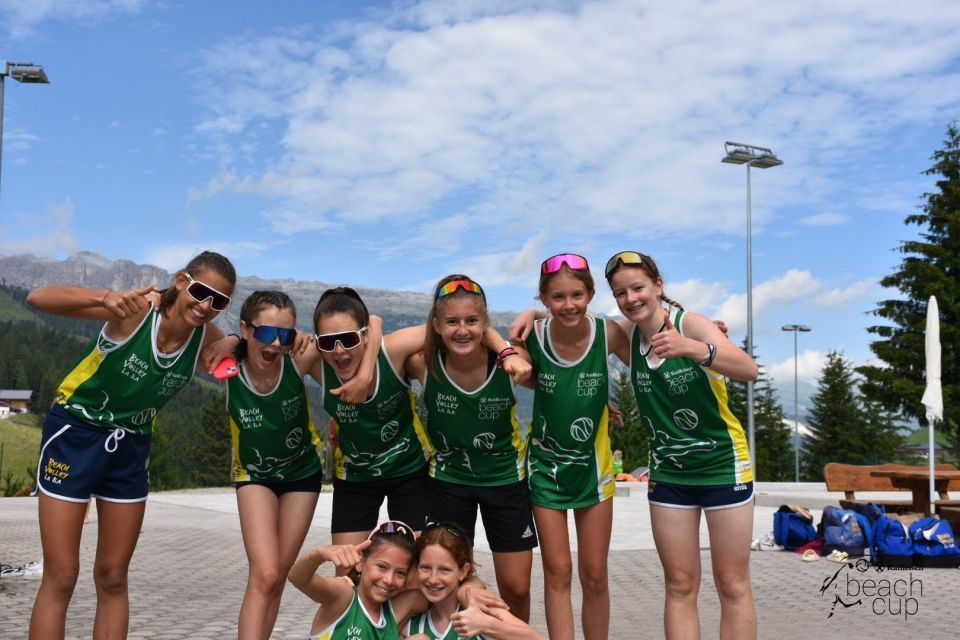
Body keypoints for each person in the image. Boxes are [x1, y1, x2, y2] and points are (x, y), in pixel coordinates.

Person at [26, 251, 237, 640]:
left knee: (112, 576)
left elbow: (240, 344)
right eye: (200, 292)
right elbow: (38, 298)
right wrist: (105, 298)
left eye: (219, 301)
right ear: (181, 281)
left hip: (132, 445)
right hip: (75, 432)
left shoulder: (206, 336)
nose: (207, 305)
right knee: (62, 575)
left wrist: (234, 341)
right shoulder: (138, 312)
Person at [604, 250, 758, 640]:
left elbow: (748, 369)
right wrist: (528, 315)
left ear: (658, 286)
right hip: (669, 475)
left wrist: (692, 347)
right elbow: (570, 330)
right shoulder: (626, 337)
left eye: (638, 287)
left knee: (732, 583)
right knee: (679, 584)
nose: (630, 298)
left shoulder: (691, 323)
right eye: (620, 292)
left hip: (723, 466)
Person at [403, 275, 536, 622]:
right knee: (443, 582)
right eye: (452, 321)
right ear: (436, 325)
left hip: (505, 480)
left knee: (517, 588)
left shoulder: (512, 362)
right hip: (448, 481)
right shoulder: (422, 363)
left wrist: (517, 333)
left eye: (472, 321)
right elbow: (382, 356)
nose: (462, 330)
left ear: (486, 323)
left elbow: (555, 382)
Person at [511, 253, 628, 640]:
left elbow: (649, 356)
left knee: (594, 574)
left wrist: (701, 336)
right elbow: (521, 368)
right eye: (557, 297)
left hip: (593, 469)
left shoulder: (608, 333)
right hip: (546, 469)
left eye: (577, 295)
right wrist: (530, 318)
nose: (569, 304)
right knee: (557, 572)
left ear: (591, 294)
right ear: (543, 298)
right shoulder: (534, 337)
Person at [225, 291, 325, 640]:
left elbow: (350, 353)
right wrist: (225, 340)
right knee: (265, 572)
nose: (276, 343)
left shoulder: (298, 358)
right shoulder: (227, 365)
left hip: (302, 473)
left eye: (286, 334)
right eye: (267, 332)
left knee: (278, 576)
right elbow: (188, 333)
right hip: (255, 474)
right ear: (245, 329)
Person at [310, 287, 433, 555]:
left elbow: (444, 326)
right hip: (356, 475)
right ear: (317, 343)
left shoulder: (392, 351)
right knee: (347, 565)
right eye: (328, 342)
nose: (339, 351)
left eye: (348, 339)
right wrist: (229, 341)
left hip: (409, 468)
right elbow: (262, 345)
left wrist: (366, 373)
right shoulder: (315, 361)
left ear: (365, 336)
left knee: (415, 565)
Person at [404, 521, 545, 640]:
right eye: (426, 568)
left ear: (463, 571)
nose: (433, 579)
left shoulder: (482, 610)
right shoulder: (411, 624)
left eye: (444, 570)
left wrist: (486, 625)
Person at [289, 521, 422, 640]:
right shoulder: (345, 595)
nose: (389, 580)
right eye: (382, 567)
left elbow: (432, 587)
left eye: (400, 573)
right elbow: (297, 578)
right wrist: (319, 554)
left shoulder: (396, 609)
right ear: (360, 562)